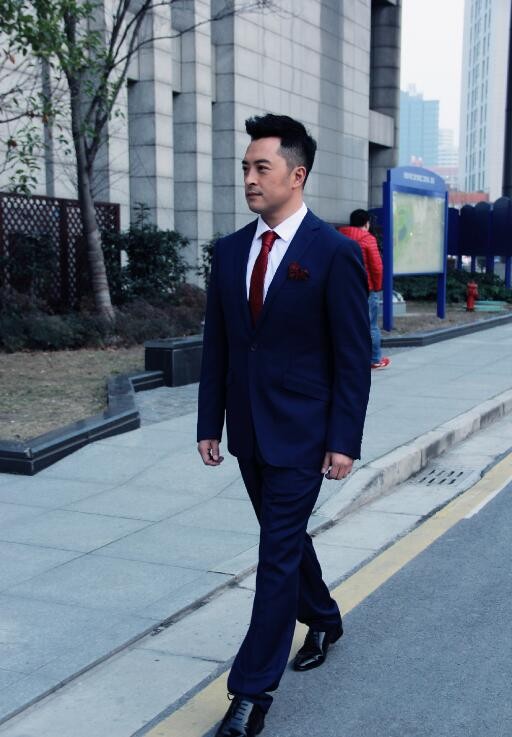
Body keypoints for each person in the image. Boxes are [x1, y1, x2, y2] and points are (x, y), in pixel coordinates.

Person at [197, 114, 371, 737]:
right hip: (247, 430)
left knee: (273, 557)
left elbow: (352, 355)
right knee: (286, 541)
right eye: (245, 167)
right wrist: (210, 422)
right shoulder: (229, 251)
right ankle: (323, 617)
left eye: (261, 167)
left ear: (296, 176)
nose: (249, 177)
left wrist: (343, 440)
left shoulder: (335, 252)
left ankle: (250, 695)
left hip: (303, 434)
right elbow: (219, 345)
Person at [339, 210, 391, 370]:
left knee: (344, 324)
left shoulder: (338, 236)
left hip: (342, 288)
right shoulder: (368, 239)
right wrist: (377, 286)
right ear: (366, 223)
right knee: (371, 325)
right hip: (365, 288)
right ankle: (374, 359)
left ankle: (346, 360)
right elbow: (376, 267)